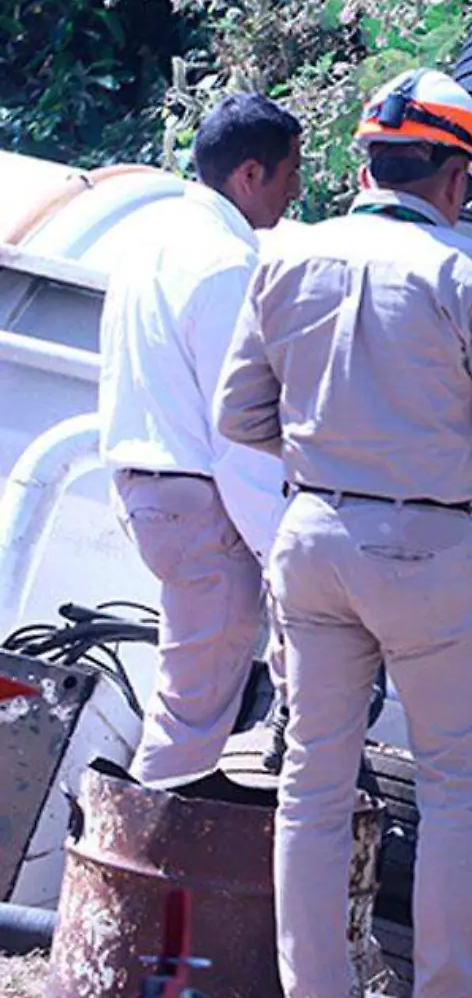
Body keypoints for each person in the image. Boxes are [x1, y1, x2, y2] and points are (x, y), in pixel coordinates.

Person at [215, 68, 472, 998]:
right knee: (456, 798)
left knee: (311, 787)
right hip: (424, 551)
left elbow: (240, 415)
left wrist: (339, 447)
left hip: (311, 534)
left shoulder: (287, 256)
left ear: (364, 164)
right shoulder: (468, 269)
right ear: (457, 179)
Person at [97, 91, 302, 792]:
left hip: (147, 488)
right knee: (189, 727)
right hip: (203, 501)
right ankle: (125, 877)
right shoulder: (224, 264)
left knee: (189, 702)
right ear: (250, 173)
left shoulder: (153, 238)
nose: (296, 191)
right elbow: (238, 433)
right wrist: (285, 552)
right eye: (290, 172)